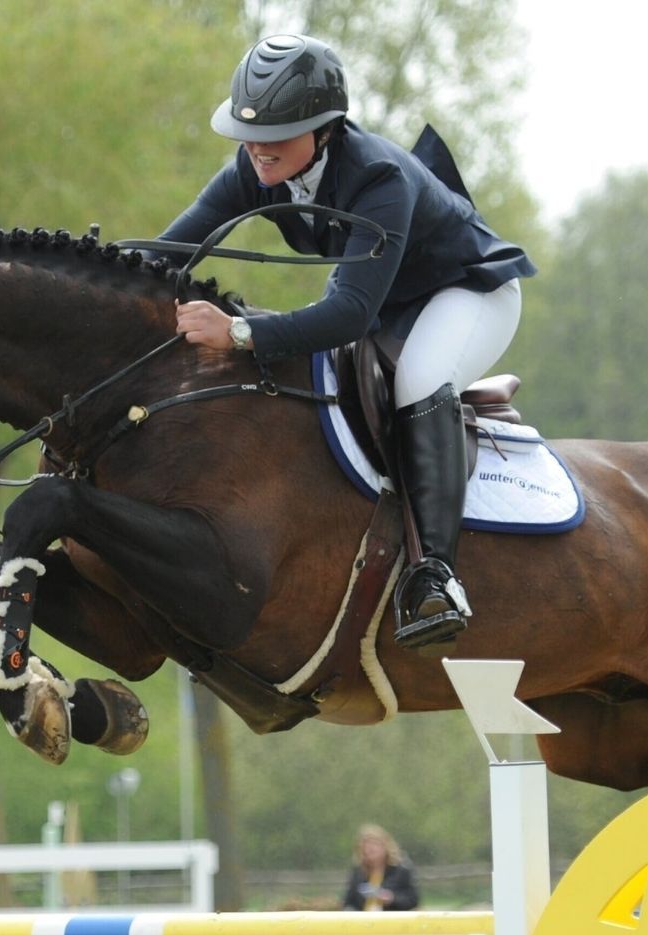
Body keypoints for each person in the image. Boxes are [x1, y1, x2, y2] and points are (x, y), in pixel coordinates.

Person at [162, 34, 536, 649]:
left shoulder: (378, 177)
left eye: (278, 132)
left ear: (325, 128)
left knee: (419, 379)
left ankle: (435, 575)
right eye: (249, 133)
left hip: (469, 291)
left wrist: (236, 332)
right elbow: (171, 250)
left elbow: (348, 316)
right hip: (390, 297)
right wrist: (76, 269)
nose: (257, 147)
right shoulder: (255, 168)